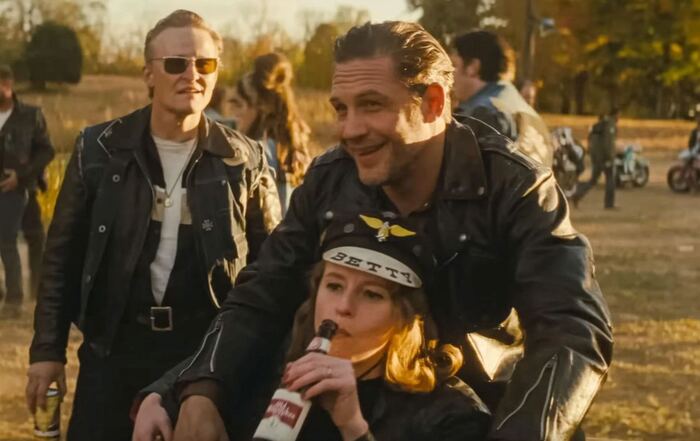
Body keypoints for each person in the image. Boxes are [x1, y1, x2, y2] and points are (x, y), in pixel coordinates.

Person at [155, 21, 612, 441]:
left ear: (433, 102)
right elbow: (264, 291)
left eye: (371, 105)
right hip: (356, 403)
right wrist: (200, 389)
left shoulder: (514, 185)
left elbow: (571, 329)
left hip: (483, 412)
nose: (350, 130)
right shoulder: (332, 178)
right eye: (341, 109)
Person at [25, 10, 281, 441]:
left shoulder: (246, 158)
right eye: (177, 64)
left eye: (205, 64)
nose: (192, 75)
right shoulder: (99, 148)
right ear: (149, 73)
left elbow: (271, 271)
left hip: (202, 356)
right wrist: (47, 350)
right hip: (113, 349)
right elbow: (61, 257)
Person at [133, 212, 492, 441]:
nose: (343, 306)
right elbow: (200, 371)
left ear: (407, 319)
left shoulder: (452, 416)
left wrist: (353, 426)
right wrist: (160, 398)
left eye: (372, 294)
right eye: (334, 286)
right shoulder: (262, 367)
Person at [450, 30, 554, 167]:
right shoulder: (530, 114)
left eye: (455, 65)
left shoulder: (484, 114)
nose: (450, 73)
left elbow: (462, 173)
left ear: (473, 67)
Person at [0, 64, 55, 317]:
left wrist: (21, 175)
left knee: (33, 238)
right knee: (7, 240)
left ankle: (34, 294)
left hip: (25, 187)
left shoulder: (30, 115)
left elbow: (46, 150)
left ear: (8, 86)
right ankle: (12, 294)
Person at [229, 52, 311, 213]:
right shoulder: (292, 142)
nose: (234, 114)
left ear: (261, 107)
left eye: (239, 105)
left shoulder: (260, 151)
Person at [571, 109, 618, 209]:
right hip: (606, 159)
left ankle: (577, 195)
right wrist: (609, 157)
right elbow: (608, 143)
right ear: (616, 115)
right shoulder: (609, 125)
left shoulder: (597, 126)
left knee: (593, 180)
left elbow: (590, 142)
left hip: (596, 158)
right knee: (610, 180)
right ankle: (609, 204)